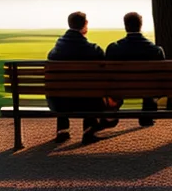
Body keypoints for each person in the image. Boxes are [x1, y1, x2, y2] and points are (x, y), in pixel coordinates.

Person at [46, 11, 118, 144]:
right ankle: (88, 131)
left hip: (58, 103)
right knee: (90, 91)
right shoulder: (94, 50)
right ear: (85, 25)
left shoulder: (54, 53)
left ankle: (62, 131)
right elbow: (104, 78)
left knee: (63, 88)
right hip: (88, 103)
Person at [105, 12, 165, 126]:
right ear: (140, 26)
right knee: (150, 84)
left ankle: (112, 114)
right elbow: (161, 75)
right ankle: (147, 116)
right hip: (148, 90)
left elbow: (107, 74)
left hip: (121, 88)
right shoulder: (156, 50)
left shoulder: (114, 48)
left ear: (125, 26)